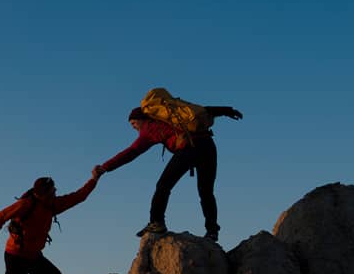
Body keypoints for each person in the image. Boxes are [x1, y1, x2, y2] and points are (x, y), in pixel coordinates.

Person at [95, 103, 243, 241]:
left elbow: (131, 152)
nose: (134, 127)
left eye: (133, 123)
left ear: (141, 119)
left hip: (188, 149)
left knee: (163, 186)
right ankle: (212, 231)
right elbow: (203, 110)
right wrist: (228, 111)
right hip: (208, 146)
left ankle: (156, 222)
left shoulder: (149, 128)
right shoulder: (171, 118)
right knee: (206, 192)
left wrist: (105, 167)